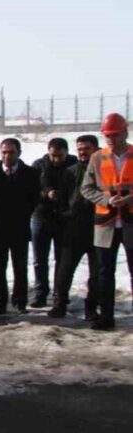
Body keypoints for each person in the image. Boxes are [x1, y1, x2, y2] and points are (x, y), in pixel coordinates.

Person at [79, 113, 133, 330]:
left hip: (130, 223)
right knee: (104, 273)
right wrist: (107, 199)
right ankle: (106, 316)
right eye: (107, 135)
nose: (110, 139)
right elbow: (86, 188)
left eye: (114, 135)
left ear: (125, 132)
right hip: (105, 224)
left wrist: (130, 199)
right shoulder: (97, 158)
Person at [0, 138, 41, 314]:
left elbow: (34, 198)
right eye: (4, 152)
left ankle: (20, 301)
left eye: (11, 152)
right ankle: (0, 301)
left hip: (19, 226)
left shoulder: (30, 174)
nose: (7, 156)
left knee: (20, 266)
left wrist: (23, 212)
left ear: (19, 153)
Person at [48, 135, 100, 320]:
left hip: (98, 226)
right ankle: (60, 304)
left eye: (86, 148)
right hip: (74, 226)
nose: (83, 152)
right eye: (80, 149)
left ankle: (91, 308)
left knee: (97, 272)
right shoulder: (71, 171)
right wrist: (65, 215)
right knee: (65, 268)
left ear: (95, 148)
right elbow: (63, 199)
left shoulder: (104, 169)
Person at [30, 138, 77, 308]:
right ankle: (41, 294)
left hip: (64, 218)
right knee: (39, 259)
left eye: (60, 156)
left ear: (67, 152)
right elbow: (32, 189)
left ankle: (60, 293)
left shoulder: (73, 166)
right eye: (53, 155)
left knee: (62, 259)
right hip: (41, 216)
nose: (56, 159)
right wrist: (46, 194)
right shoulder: (39, 166)